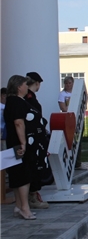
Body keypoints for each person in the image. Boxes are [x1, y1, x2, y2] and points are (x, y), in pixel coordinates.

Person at [4, 75, 38, 219]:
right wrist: (23, 143)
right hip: (20, 144)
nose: (27, 87)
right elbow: (19, 122)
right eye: (25, 84)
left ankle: (19, 206)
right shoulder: (16, 102)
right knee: (24, 175)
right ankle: (25, 207)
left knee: (17, 175)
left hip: (16, 142)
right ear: (19, 87)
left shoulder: (11, 101)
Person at [24, 72, 51, 209]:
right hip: (33, 138)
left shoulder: (27, 97)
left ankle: (32, 195)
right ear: (37, 83)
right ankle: (33, 196)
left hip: (32, 136)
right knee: (35, 166)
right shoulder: (29, 97)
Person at [58, 76, 82, 169]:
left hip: (77, 118)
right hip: (68, 119)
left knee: (78, 141)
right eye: (66, 83)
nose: (68, 85)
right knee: (69, 140)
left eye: (70, 83)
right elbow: (63, 108)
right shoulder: (63, 94)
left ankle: (78, 162)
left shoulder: (77, 93)